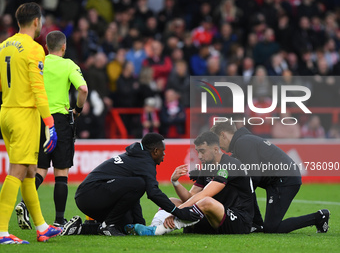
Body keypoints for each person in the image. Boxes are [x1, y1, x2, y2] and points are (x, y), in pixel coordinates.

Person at [0, 3, 61, 244]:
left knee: (28, 171)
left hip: (6, 111)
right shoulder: (35, 49)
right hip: (24, 114)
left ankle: (42, 227)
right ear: (36, 21)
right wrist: (50, 123)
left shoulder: (3, 46)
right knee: (17, 171)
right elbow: (38, 89)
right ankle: (2, 232)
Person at [15, 30, 88, 229]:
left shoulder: (39, 62)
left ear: (46, 47)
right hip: (59, 120)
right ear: (63, 47)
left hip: (36, 117)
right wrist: (78, 109)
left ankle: (24, 203)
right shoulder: (68, 65)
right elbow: (83, 89)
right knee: (61, 172)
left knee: (40, 168)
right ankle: (59, 220)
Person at [61, 133, 200, 236]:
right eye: (163, 152)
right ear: (155, 151)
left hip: (89, 196)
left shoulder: (137, 157)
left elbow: (133, 195)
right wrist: (179, 212)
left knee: (128, 226)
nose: (164, 156)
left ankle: (80, 228)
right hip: (91, 194)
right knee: (139, 183)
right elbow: (153, 193)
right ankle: (108, 225)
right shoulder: (145, 162)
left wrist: (138, 223)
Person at [125, 131, 254, 236]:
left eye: (202, 151)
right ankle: (152, 228)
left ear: (215, 149)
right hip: (213, 218)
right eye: (198, 151)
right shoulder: (207, 167)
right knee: (172, 201)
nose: (199, 155)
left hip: (238, 221)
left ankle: (158, 231)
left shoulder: (230, 165)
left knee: (205, 201)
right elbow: (190, 197)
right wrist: (175, 182)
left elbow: (204, 195)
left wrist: (176, 212)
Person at [210, 121, 330, 233]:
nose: (219, 147)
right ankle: (256, 224)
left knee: (272, 227)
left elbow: (254, 178)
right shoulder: (243, 142)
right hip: (280, 179)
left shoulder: (242, 142)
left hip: (285, 180)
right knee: (244, 184)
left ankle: (318, 217)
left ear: (223, 135)